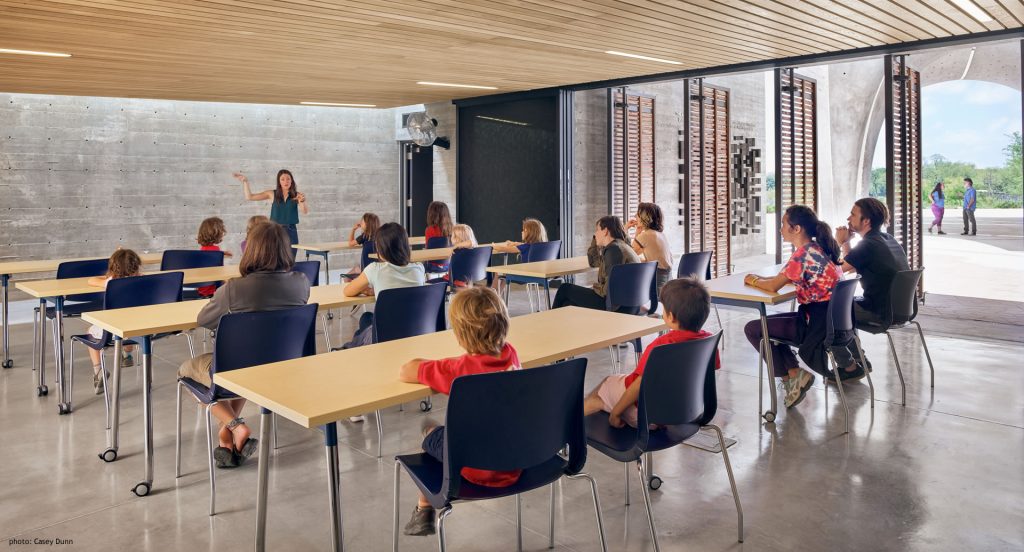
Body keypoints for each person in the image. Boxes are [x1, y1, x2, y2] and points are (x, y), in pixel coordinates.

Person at [176, 222, 310, 468]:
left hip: (237, 369)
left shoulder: (234, 289)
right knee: (248, 369)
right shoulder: (302, 282)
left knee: (186, 369)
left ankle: (236, 426)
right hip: (283, 368)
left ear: (253, 250)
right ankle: (226, 437)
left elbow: (204, 320)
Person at [397, 286, 521, 537]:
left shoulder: (458, 370)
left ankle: (424, 509)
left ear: (460, 336)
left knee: (429, 432)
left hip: (475, 468)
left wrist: (431, 363)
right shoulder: (511, 355)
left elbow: (406, 370)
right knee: (445, 432)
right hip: (515, 461)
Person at [743, 205, 857, 409]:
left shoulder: (802, 254)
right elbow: (786, 278)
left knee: (754, 328)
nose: (780, 229)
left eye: (783, 225)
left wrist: (752, 280)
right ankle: (795, 375)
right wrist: (764, 279)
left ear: (796, 229)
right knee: (765, 327)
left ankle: (793, 378)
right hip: (832, 323)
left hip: (816, 326)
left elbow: (773, 286)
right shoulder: (819, 249)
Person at [584, 277, 719, 428]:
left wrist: (616, 413)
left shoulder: (661, 347)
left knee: (604, 386)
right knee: (613, 382)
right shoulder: (708, 342)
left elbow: (639, 385)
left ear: (671, 317)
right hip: (686, 410)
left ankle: (570, 433)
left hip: (648, 413)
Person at [341, 222, 426, 349]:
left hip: (385, 335)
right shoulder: (419, 268)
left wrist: (370, 290)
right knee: (366, 318)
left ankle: (352, 349)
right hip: (416, 331)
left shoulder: (375, 269)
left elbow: (347, 291)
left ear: (381, 248)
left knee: (365, 321)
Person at [835, 197, 910, 328]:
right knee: (841, 304)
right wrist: (845, 243)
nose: (848, 219)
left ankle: (836, 348)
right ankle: (849, 347)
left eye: (853, 215)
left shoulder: (868, 245)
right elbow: (853, 265)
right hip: (901, 311)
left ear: (866, 221)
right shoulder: (887, 239)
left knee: (826, 306)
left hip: (879, 313)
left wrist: (840, 242)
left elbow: (836, 271)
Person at [551, 216, 639, 311]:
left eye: (597, 230)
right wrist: (595, 239)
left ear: (605, 231)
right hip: (630, 304)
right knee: (568, 303)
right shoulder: (621, 246)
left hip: (616, 305)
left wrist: (595, 287)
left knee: (565, 289)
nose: (595, 234)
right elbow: (593, 262)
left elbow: (607, 290)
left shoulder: (614, 251)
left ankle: (548, 322)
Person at [85, 249, 141, 394]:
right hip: (138, 328)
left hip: (111, 330)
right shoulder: (142, 281)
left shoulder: (110, 282)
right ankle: (127, 355)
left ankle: (98, 371)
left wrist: (107, 276)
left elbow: (91, 280)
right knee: (129, 333)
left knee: (90, 333)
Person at [233, 170, 309, 258]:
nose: (286, 181)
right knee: (274, 257)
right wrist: (245, 182)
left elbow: (305, 211)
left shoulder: (297, 194)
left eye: (288, 179)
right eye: (282, 179)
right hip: (275, 230)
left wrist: (302, 201)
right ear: (279, 181)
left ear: (291, 181)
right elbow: (250, 197)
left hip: (291, 230)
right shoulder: (272, 193)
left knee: (291, 257)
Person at [627, 202, 674, 311]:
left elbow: (629, 255)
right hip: (667, 278)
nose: (635, 217)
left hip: (657, 279)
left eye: (637, 214)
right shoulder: (658, 234)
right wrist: (638, 232)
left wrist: (629, 230)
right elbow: (637, 256)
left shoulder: (646, 235)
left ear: (644, 217)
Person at [195, 216, 233, 297]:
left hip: (201, 287)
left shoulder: (203, 249)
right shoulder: (216, 251)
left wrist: (222, 253)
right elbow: (220, 273)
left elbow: (209, 255)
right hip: (212, 290)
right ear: (217, 234)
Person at [344, 213, 381, 278]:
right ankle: (357, 269)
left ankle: (357, 269)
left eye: (362, 222)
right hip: (375, 271)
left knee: (346, 278)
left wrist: (353, 229)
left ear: (367, 224)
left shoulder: (365, 236)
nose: (360, 223)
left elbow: (350, 243)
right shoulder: (380, 236)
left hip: (366, 271)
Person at [424, 201, 453, 273]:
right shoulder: (452, 229)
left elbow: (428, 249)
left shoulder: (429, 230)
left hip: (432, 266)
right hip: (448, 265)